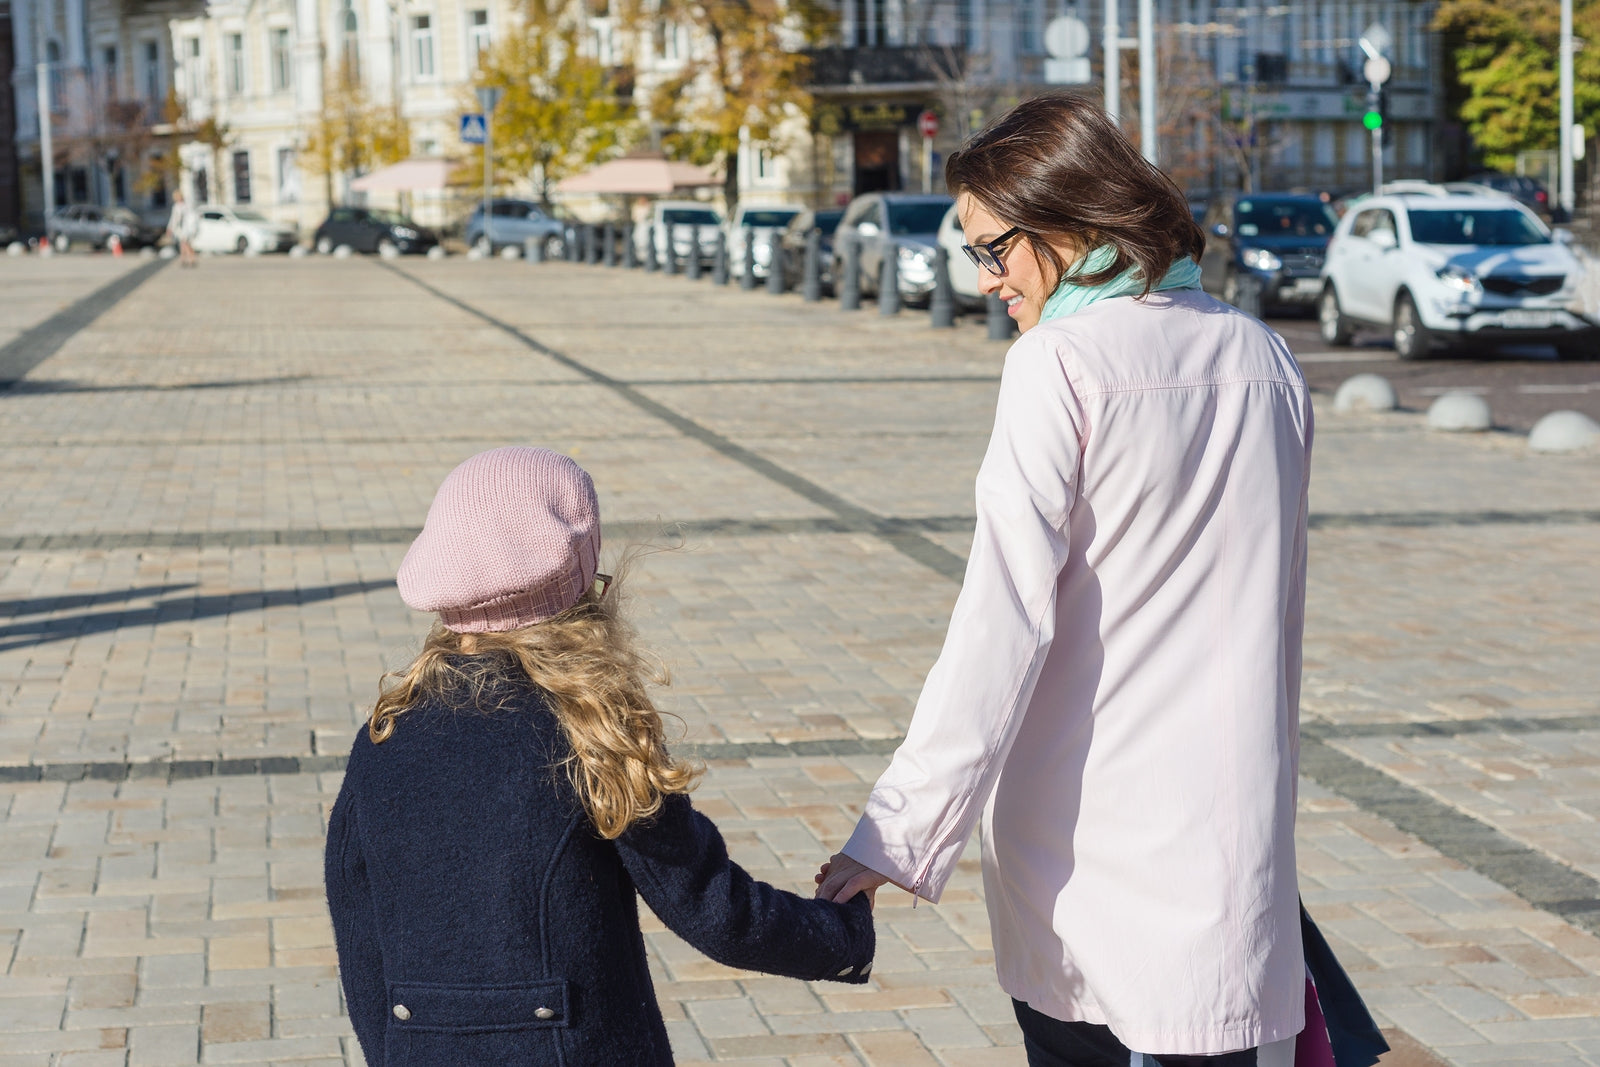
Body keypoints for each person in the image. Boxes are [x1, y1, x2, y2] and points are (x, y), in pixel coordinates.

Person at [816, 93, 1314, 1066]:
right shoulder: (1264, 356)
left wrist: (895, 834)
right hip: (1233, 848)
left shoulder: (1061, 364)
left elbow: (998, 624)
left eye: (993, 248)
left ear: (1066, 222)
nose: (986, 280)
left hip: (1094, 857)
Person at [326, 447, 874, 1066]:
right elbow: (715, 912)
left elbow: (360, 942)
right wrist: (842, 933)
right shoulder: (592, 729)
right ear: (578, 582)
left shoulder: (385, 733)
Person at [166, 190, 198, 267]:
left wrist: (193, 227)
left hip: (186, 227)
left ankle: (190, 258)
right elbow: (173, 218)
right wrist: (170, 227)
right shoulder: (176, 207)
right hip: (179, 227)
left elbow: (191, 217)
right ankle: (184, 259)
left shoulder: (186, 205)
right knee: (182, 244)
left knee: (185, 243)